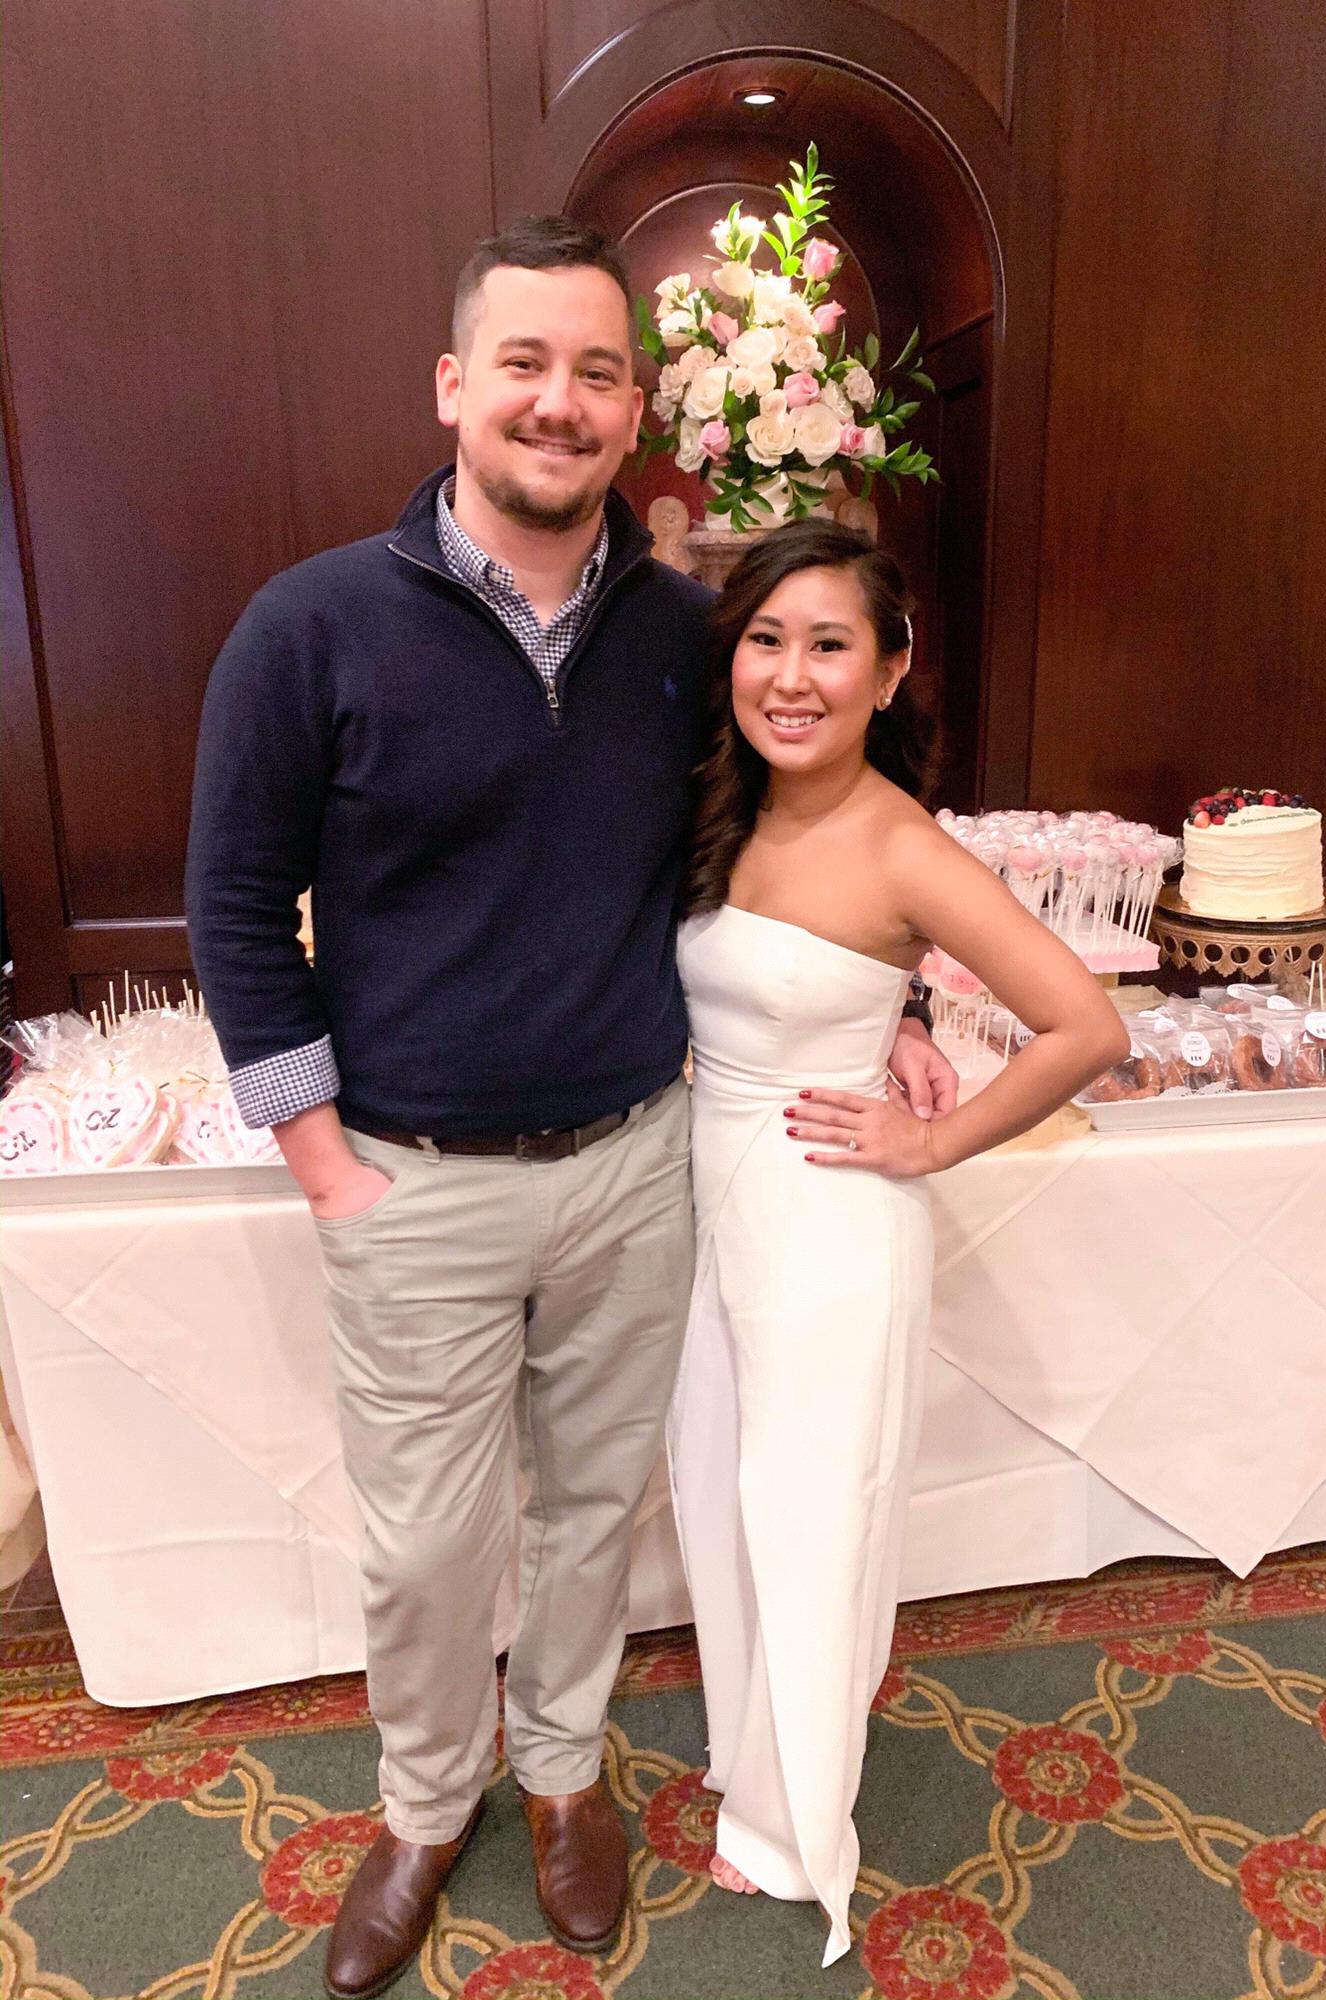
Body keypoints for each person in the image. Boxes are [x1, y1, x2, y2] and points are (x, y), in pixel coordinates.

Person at [184, 216, 955, 2000]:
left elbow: (796, 836)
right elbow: (234, 905)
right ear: (455, 386)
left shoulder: (693, 634)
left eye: (598, 371)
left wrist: (900, 992)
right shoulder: (311, 627)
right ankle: (423, 1804)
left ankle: (560, 1775)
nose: (561, 400)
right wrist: (322, 1162)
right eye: (524, 362)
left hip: (633, 1166)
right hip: (412, 1178)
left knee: (595, 1514)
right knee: (431, 1543)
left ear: (636, 411)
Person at [669, 520, 1128, 1966]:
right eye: (766, 639)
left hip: (827, 1222)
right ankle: (756, 1747)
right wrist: (912, 1021)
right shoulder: (725, 806)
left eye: (829, 645)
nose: (790, 675)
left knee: (807, 1511)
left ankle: (793, 1820)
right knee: (719, 1496)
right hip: (710, 1206)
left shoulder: (904, 843)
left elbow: (1086, 1026)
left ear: (890, 670)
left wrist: (928, 1138)